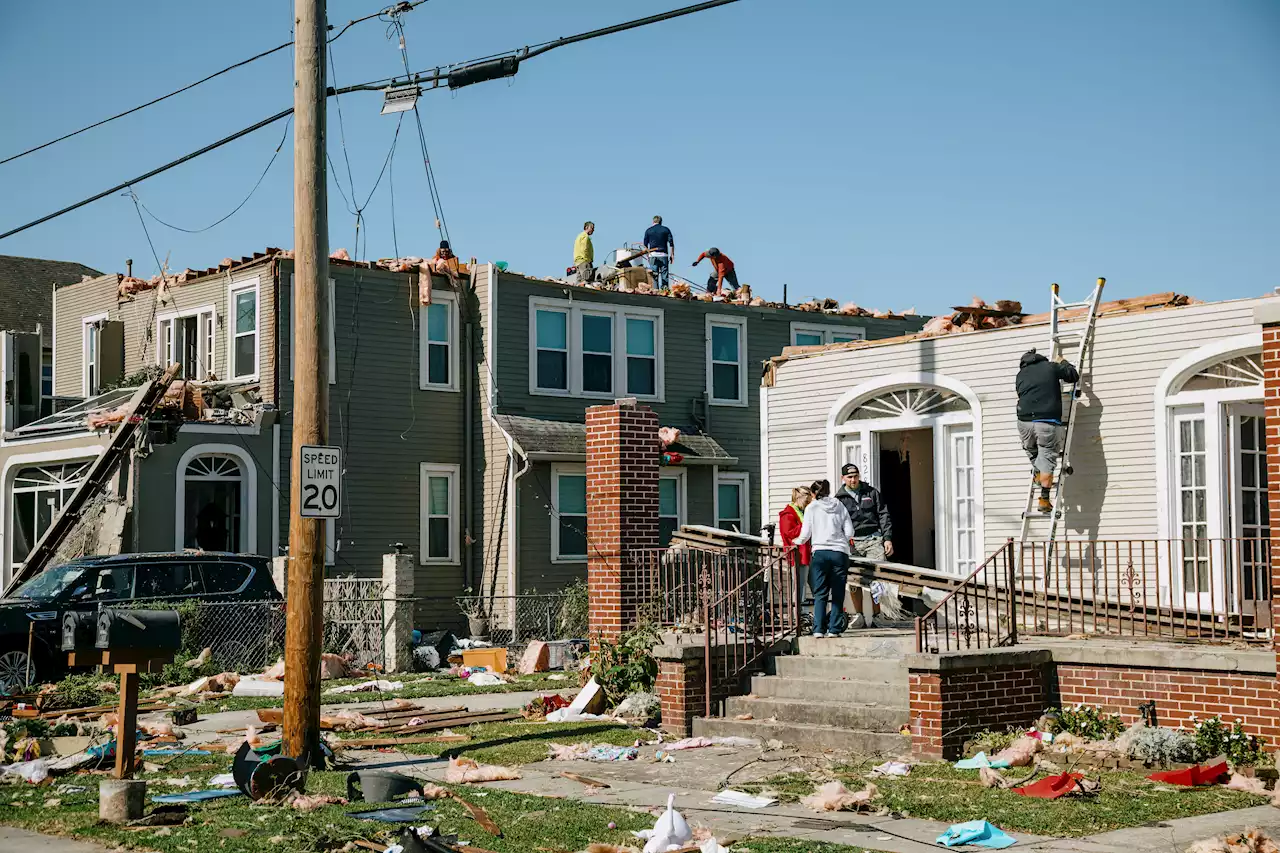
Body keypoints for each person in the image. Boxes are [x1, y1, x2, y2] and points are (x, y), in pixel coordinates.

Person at [1016, 349, 1080, 513]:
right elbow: (1073, 375)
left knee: (1031, 449)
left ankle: (1037, 471)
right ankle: (1044, 499)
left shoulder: (1020, 375)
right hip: (1046, 421)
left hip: (1024, 421)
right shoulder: (1050, 367)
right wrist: (1063, 363)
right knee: (1047, 457)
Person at [793, 479, 854, 638]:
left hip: (820, 553)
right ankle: (834, 630)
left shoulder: (811, 508)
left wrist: (795, 542)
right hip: (840, 552)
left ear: (813, 493)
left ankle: (818, 629)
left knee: (820, 593)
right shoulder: (839, 505)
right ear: (828, 490)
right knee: (838, 593)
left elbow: (805, 535)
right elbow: (849, 531)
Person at [778, 485, 813, 596]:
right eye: (807, 501)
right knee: (799, 586)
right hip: (798, 555)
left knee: (817, 584)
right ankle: (797, 611)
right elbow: (789, 533)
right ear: (799, 499)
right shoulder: (788, 514)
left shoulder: (802, 513)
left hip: (808, 553)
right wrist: (806, 525)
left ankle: (820, 611)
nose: (808, 504)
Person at [643, 215, 674, 289]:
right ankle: (665, 291)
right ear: (661, 222)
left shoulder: (648, 230)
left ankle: (655, 291)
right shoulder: (666, 230)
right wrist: (672, 254)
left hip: (652, 255)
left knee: (654, 275)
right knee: (664, 275)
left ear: (653, 221)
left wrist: (648, 255)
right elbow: (671, 243)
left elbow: (645, 244)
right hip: (663, 255)